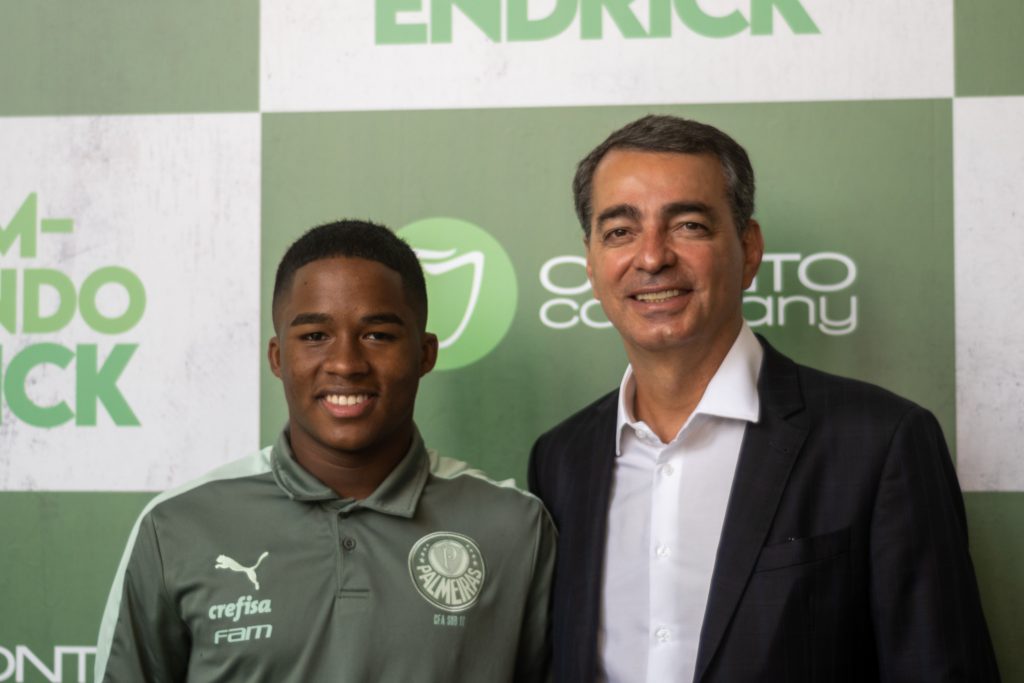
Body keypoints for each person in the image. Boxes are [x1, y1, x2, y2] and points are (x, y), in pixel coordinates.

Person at [528, 115, 999, 682]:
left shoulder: (880, 443)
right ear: (590, 262)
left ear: (749, 249)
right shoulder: (561, 458)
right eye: (620, 231)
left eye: (688, 225)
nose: (651, 257)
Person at [95, 220, 555, 682]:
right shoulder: (177, 525)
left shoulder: (514, 527)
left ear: (425, 354)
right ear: (278, 357)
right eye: (315, 336)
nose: (346, 364)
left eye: (378, 335)